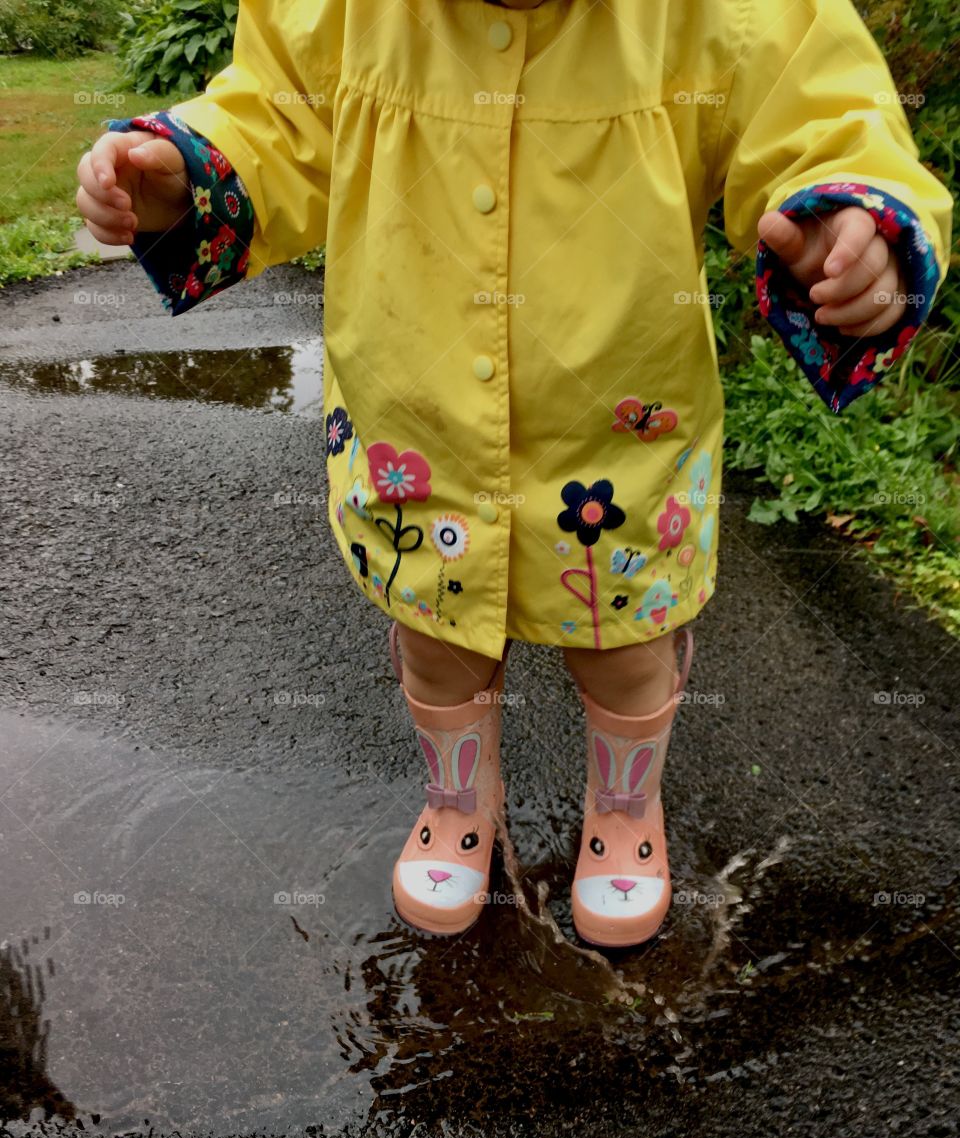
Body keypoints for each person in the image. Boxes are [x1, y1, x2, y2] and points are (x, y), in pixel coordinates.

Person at [77, 0, 952, 945]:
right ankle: (459, 803)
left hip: (620, 414)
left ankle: (622, 814)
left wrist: (853, 219)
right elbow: (274, 123)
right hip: (420, 408)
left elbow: (814, 107)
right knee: (439, 630)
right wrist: (184, 173)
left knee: (625, 640)